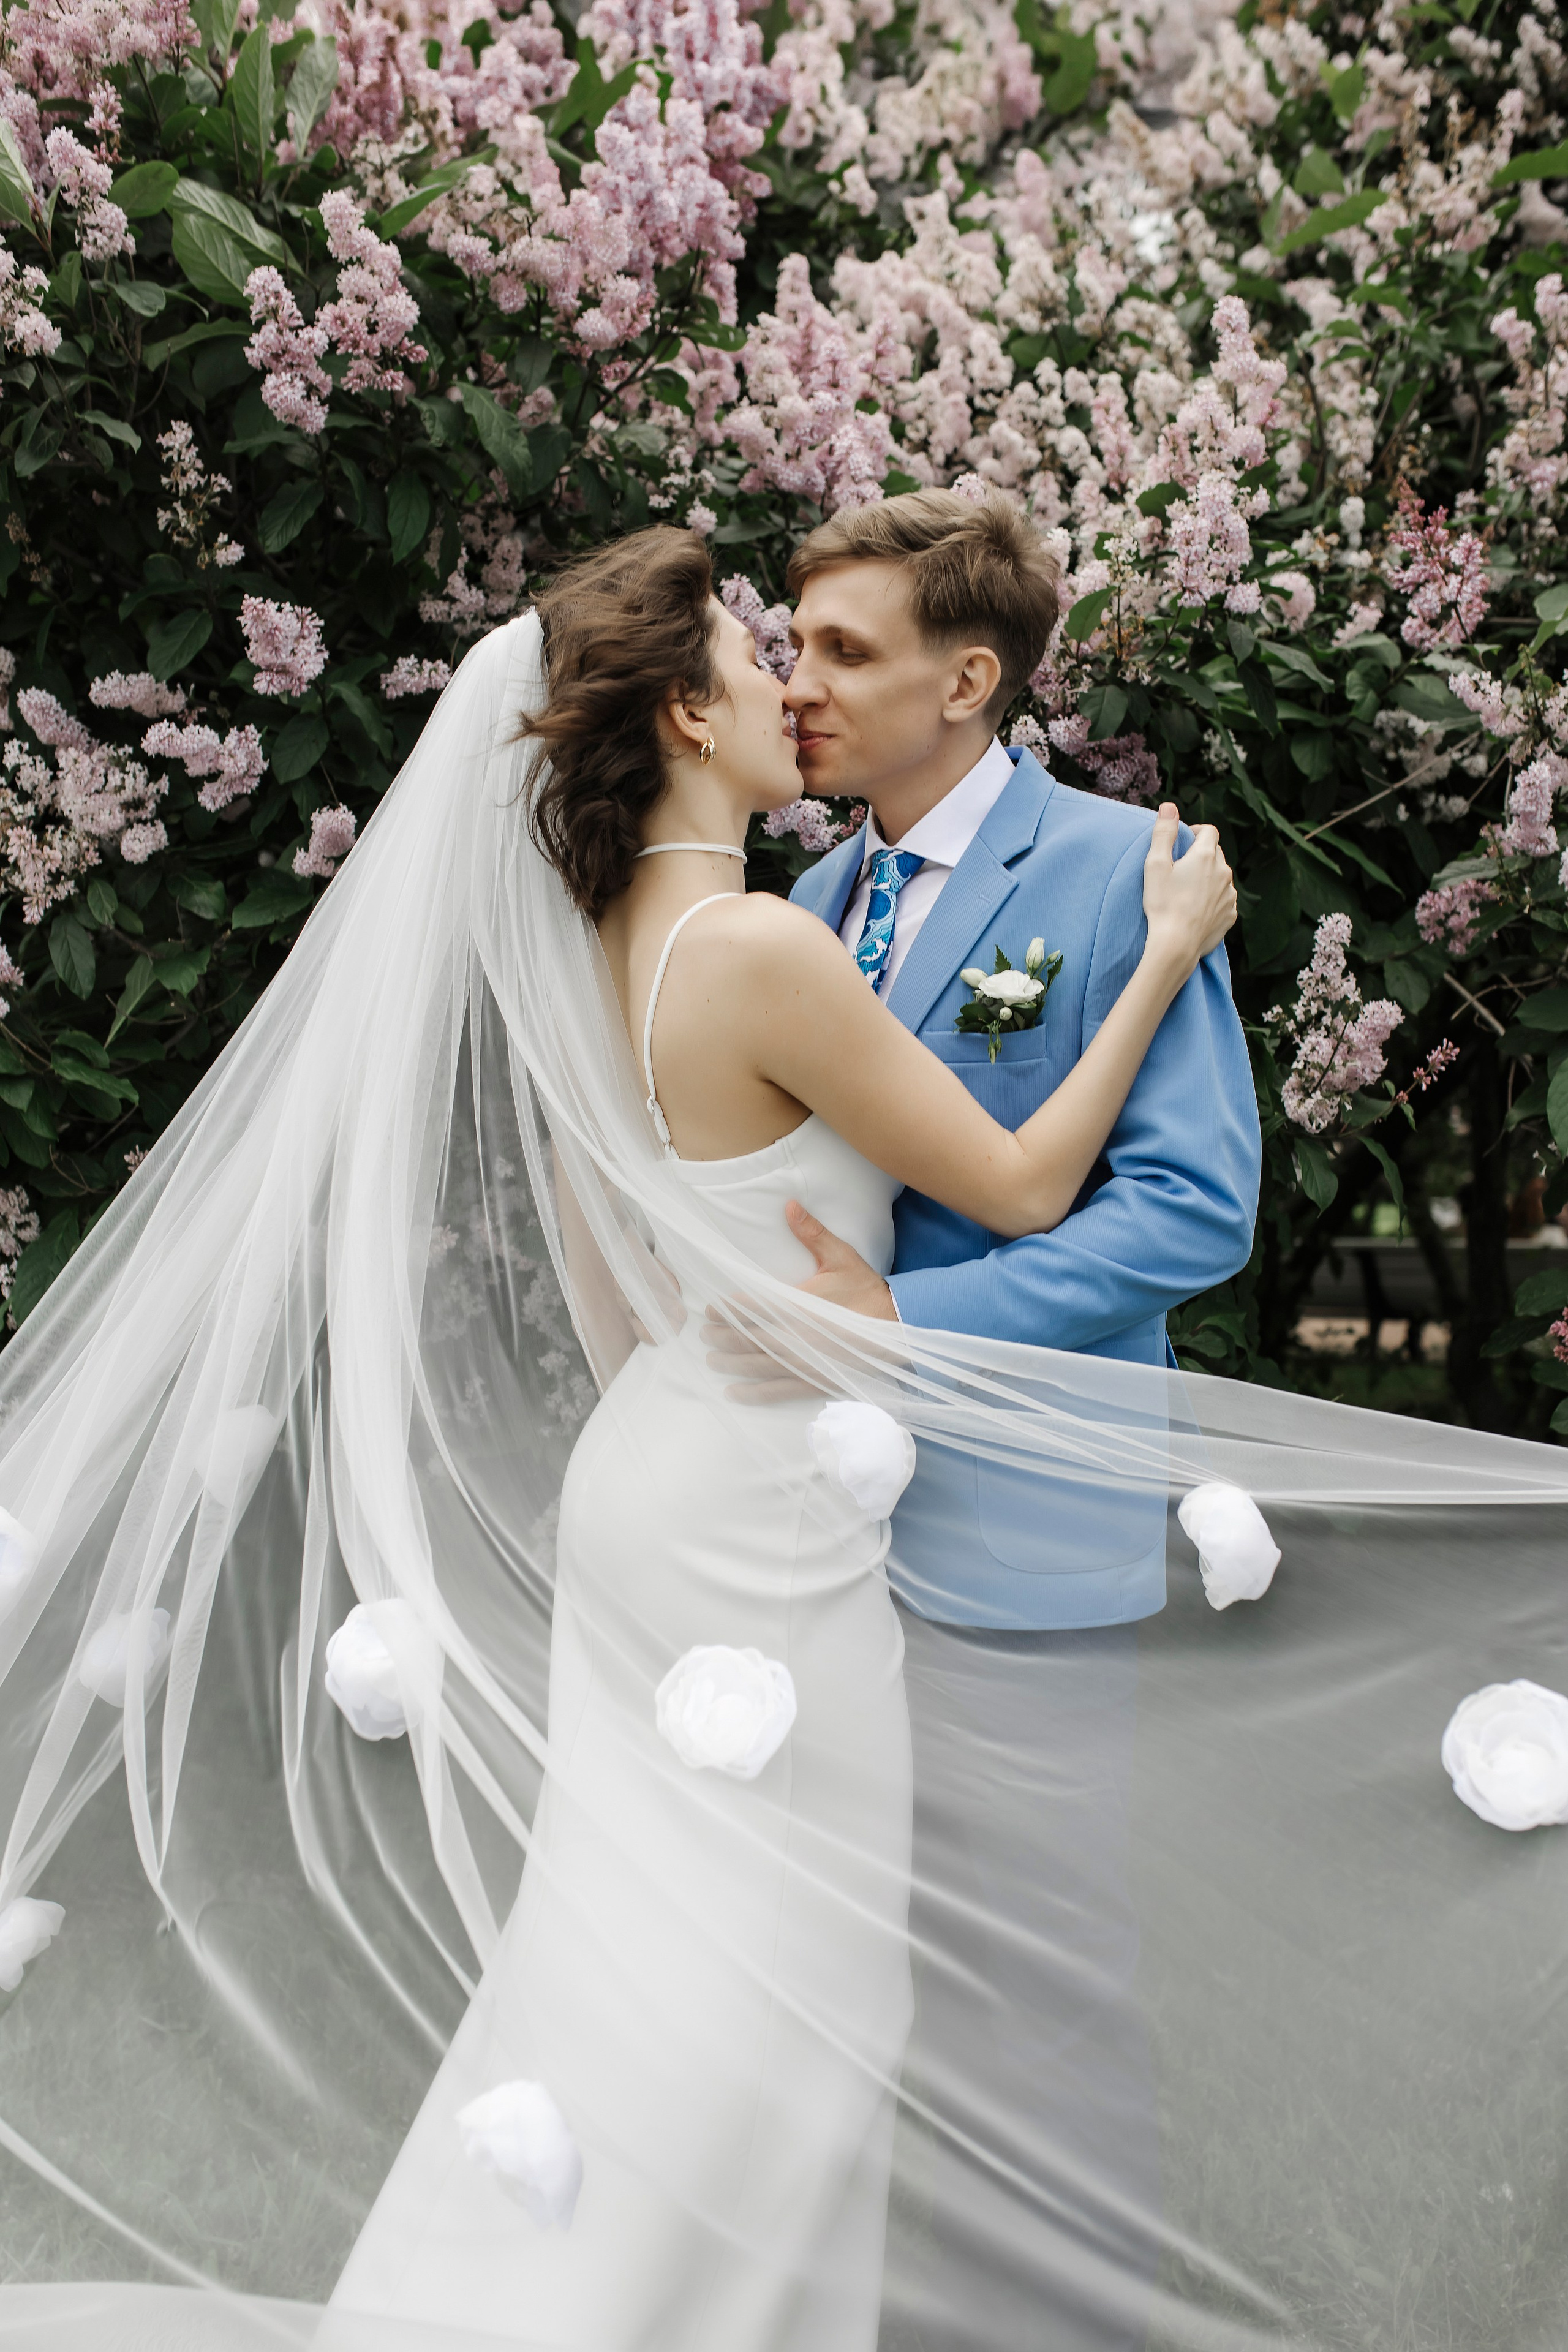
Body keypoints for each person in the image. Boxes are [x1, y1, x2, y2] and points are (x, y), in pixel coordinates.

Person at [325, 524, 1234, 2343]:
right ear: (687, 708)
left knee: (952, 2004)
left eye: (830, 650)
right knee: (777, 1999)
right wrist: (823, 1350)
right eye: (773, 655)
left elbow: (1195, 1208)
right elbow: (999, 1180)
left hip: (920, 1529)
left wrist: (883, 1336)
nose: (795, 686)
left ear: (967, 679)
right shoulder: (786, 924)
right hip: (778, 1536)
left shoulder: (1111, 873)